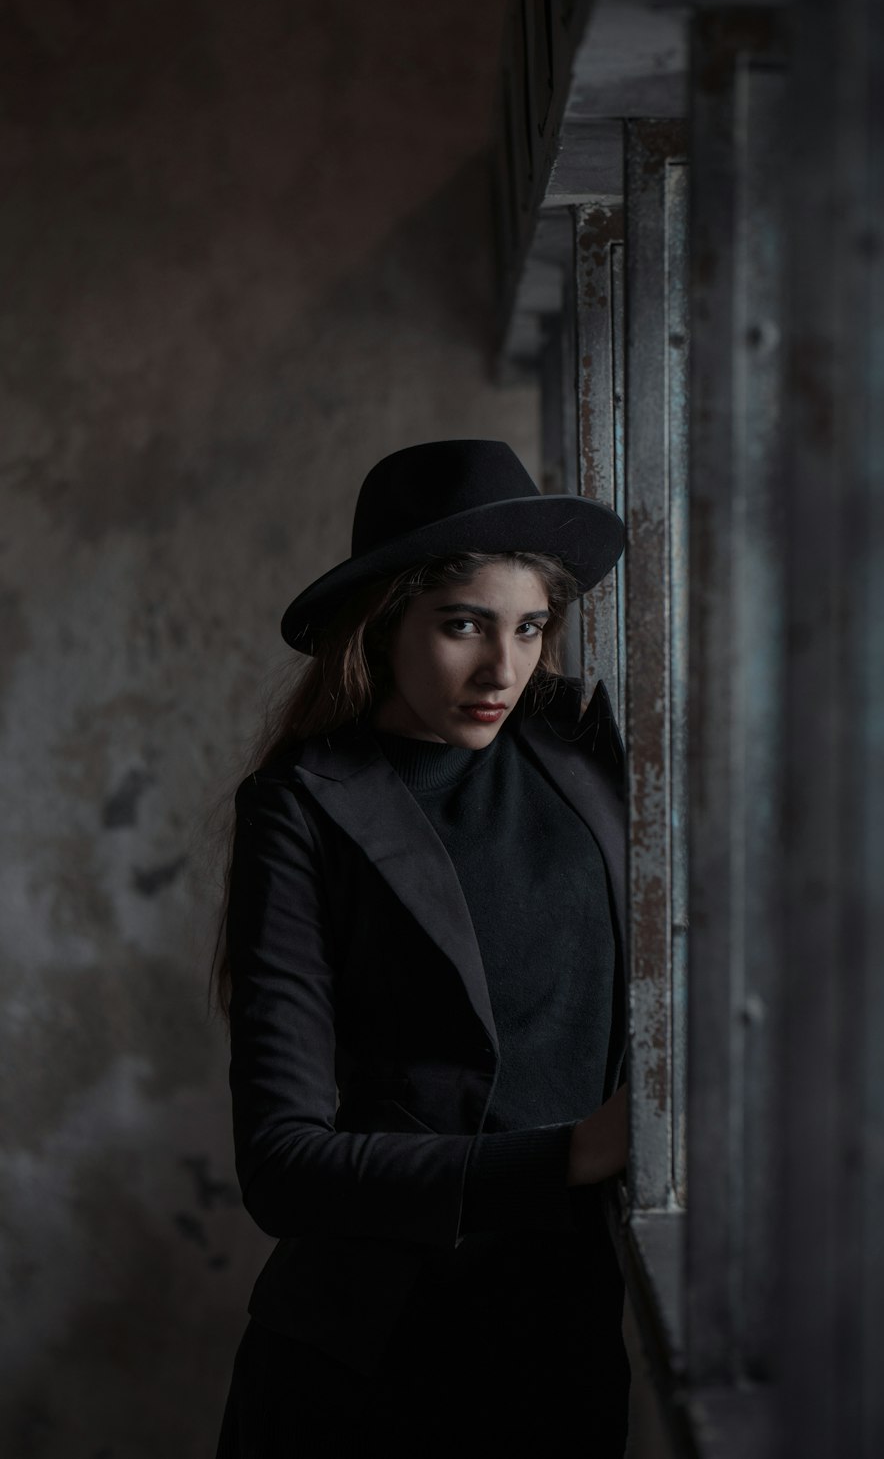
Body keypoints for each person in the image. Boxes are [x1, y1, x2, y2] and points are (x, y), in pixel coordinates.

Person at [213, 439, 632, 1458]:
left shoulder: (582, 754)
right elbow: (283, 1165)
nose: (503, 667)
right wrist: (571, 1153)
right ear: (383, 621)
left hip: (565, 1345)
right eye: (463, 626)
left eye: (530, 628)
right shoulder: (302, 807)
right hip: (370, 1364)